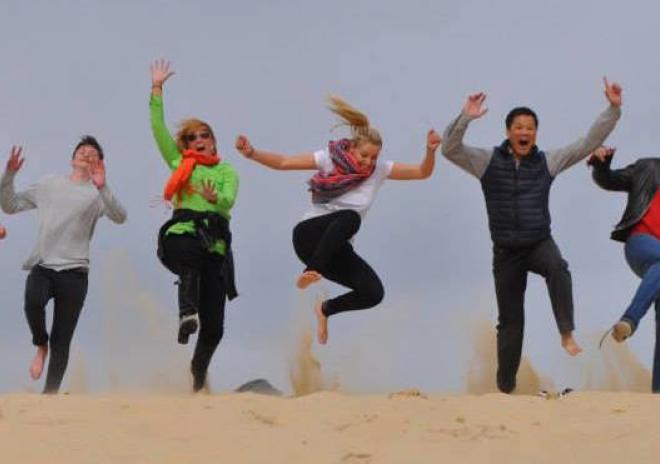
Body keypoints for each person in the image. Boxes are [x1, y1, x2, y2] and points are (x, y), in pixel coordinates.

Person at [441, 78, 622, 393]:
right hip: (506, 252)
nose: (524, 132)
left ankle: (566, 333)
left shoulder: (547, 162)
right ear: (508, 131)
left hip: (539, 242)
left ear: (535, 133)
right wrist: (465, 117)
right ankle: (505, 388)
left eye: (530, 128)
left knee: (558, 268)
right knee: (511, 322)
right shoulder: (486, 161)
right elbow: (450, 149)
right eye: (519, 127)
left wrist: (613, 109)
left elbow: (587, 142)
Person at [235, 96, 441, 345]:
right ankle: (311, 270)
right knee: (350, 217)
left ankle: (325, 309)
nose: (368, 162)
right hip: (309, 238)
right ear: (352, 148)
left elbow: (422, 172)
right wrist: (252, 153)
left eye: (374, 157)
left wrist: (430, 151)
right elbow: (284, 162)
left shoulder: (379, 170)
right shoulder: (329, 158)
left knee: (374, 292)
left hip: (335, 248)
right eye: (364, 155)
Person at [0, 140, 126, 394]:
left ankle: (50, 395)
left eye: (92, 154)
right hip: (44, 264)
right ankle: (40, 344)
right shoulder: (49, 184)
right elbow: (10, 205)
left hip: (76, 272)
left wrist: (103, 186)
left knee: (62, 338)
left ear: (99, 164)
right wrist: (9, 175)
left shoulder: (98, 194)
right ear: (72, 159)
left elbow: (120, 217)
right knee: (33, 302)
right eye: (82, 151)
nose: (86, 154)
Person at [150, 59, 239, 392]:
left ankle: (197, 377)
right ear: (185, 146)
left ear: (214, 141)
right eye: (191, 137)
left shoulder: (226, 171)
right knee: (191, 254)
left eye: (205, 135)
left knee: (214, 329)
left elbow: (228, 200)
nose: (199, 139)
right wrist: (157, 88)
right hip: (181, 236)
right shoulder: (180, 164)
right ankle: (187, 313)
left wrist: (215, 198)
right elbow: (158, 129)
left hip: (215, 245)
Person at [589, 145, 660, 393]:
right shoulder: (648, 167)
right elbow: (609, 179)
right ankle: (629, 320)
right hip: (641, 243)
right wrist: (601, 165)